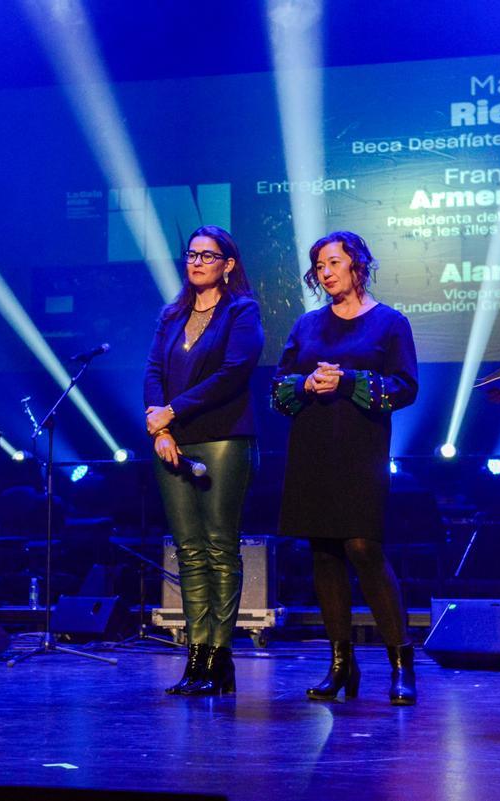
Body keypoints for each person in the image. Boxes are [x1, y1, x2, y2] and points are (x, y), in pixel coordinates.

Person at [273, 231, 419, 705]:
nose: (326, 272)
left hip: (362, 450)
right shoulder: (307, 325)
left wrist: (349, 378)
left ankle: (400, 661)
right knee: (324, 554)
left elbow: (405, 386)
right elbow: (279, 388)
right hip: (313, 449)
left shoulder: (389, 323)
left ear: (357, 264)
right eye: (319, 266)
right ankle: (341, 665)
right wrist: (306, 382)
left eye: (334, 262)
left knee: (363, 547)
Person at [144, 225, 264, 696]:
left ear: (228, 264)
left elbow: (235, 373)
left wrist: (173, 411)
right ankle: (195, 655)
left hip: (223, 439)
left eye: (207, 255)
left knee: (219, 547)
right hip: (172, 441)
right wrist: (162, 428)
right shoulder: (172, 314)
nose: (196, 262)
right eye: (191, 254)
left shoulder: (242, 310)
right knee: (187, 550)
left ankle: (220, 655)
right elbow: (154, 371)